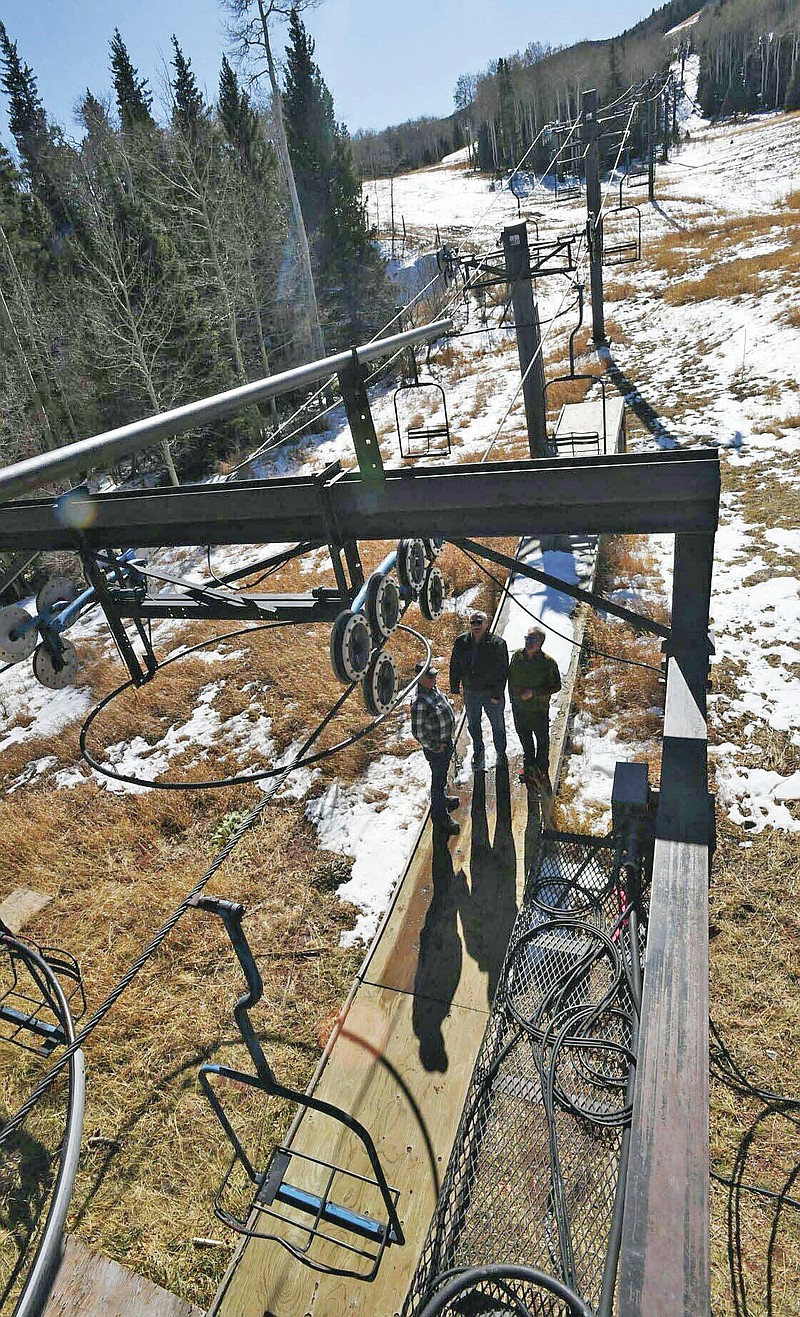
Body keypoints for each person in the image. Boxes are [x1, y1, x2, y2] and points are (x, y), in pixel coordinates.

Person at [449, 610, 509, 772]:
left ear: (486, 624)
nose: (475, 625)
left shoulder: (498, 644)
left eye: (479, 622)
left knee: (497, 725)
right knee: (473, 724)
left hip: (491, 694)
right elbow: (455, 664)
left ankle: (501, 753)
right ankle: (478, 751)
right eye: (473, 622)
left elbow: (503, 672)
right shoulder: (461, 642)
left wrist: (497, 694)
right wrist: (454, 686)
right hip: (471, 692)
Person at [410, 661, 460, 837]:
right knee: (437, 782)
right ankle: (440, 817)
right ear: (420, 679)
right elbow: (418, 731)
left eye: (434, 675)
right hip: (437, 749)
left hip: (445, 743)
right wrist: (434, 746)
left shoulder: (433, 690)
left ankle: (442, 801)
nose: (434, 678)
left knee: (442, 775)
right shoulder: (419, 702)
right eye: (430, 676)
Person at [508, 627, 561, 790]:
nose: (528, 642)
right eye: (527, 638)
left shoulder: (548, 662)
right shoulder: (517, 656)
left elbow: (556, 686)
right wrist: (514, 700)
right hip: (519, 709)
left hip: (538, 711)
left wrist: (535, 693)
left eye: (532, 639)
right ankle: (529, 769)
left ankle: (542, 771)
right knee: (526, 742)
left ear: (540, 643)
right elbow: (510, 677)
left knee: (542, 742)